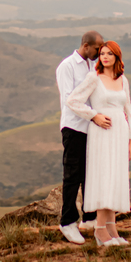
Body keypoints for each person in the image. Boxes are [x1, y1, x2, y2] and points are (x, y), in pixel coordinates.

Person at [65, 40, 131, 246]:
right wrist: (94, 115)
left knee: (115, 178)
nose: (104, 57)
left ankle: (112, 229)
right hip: (102, 134)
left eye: (109, 54)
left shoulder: (123, 80)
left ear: (117, 57)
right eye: (102, 53)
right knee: (105, 178)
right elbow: (73, 101)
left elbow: (128, 111)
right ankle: (99, 230)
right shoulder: (93, 78)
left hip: (120, 134)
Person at [56, 31, 105, 243]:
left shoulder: (91, 66)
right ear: (86, 45)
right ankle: (67, 222)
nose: (99, 53)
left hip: (90, 128)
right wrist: (94, 116)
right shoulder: (66, 66)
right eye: (97, 49)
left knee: (89, 174)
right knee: (72, 175)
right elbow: (70, 100)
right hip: (73, 126)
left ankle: (90, 217)